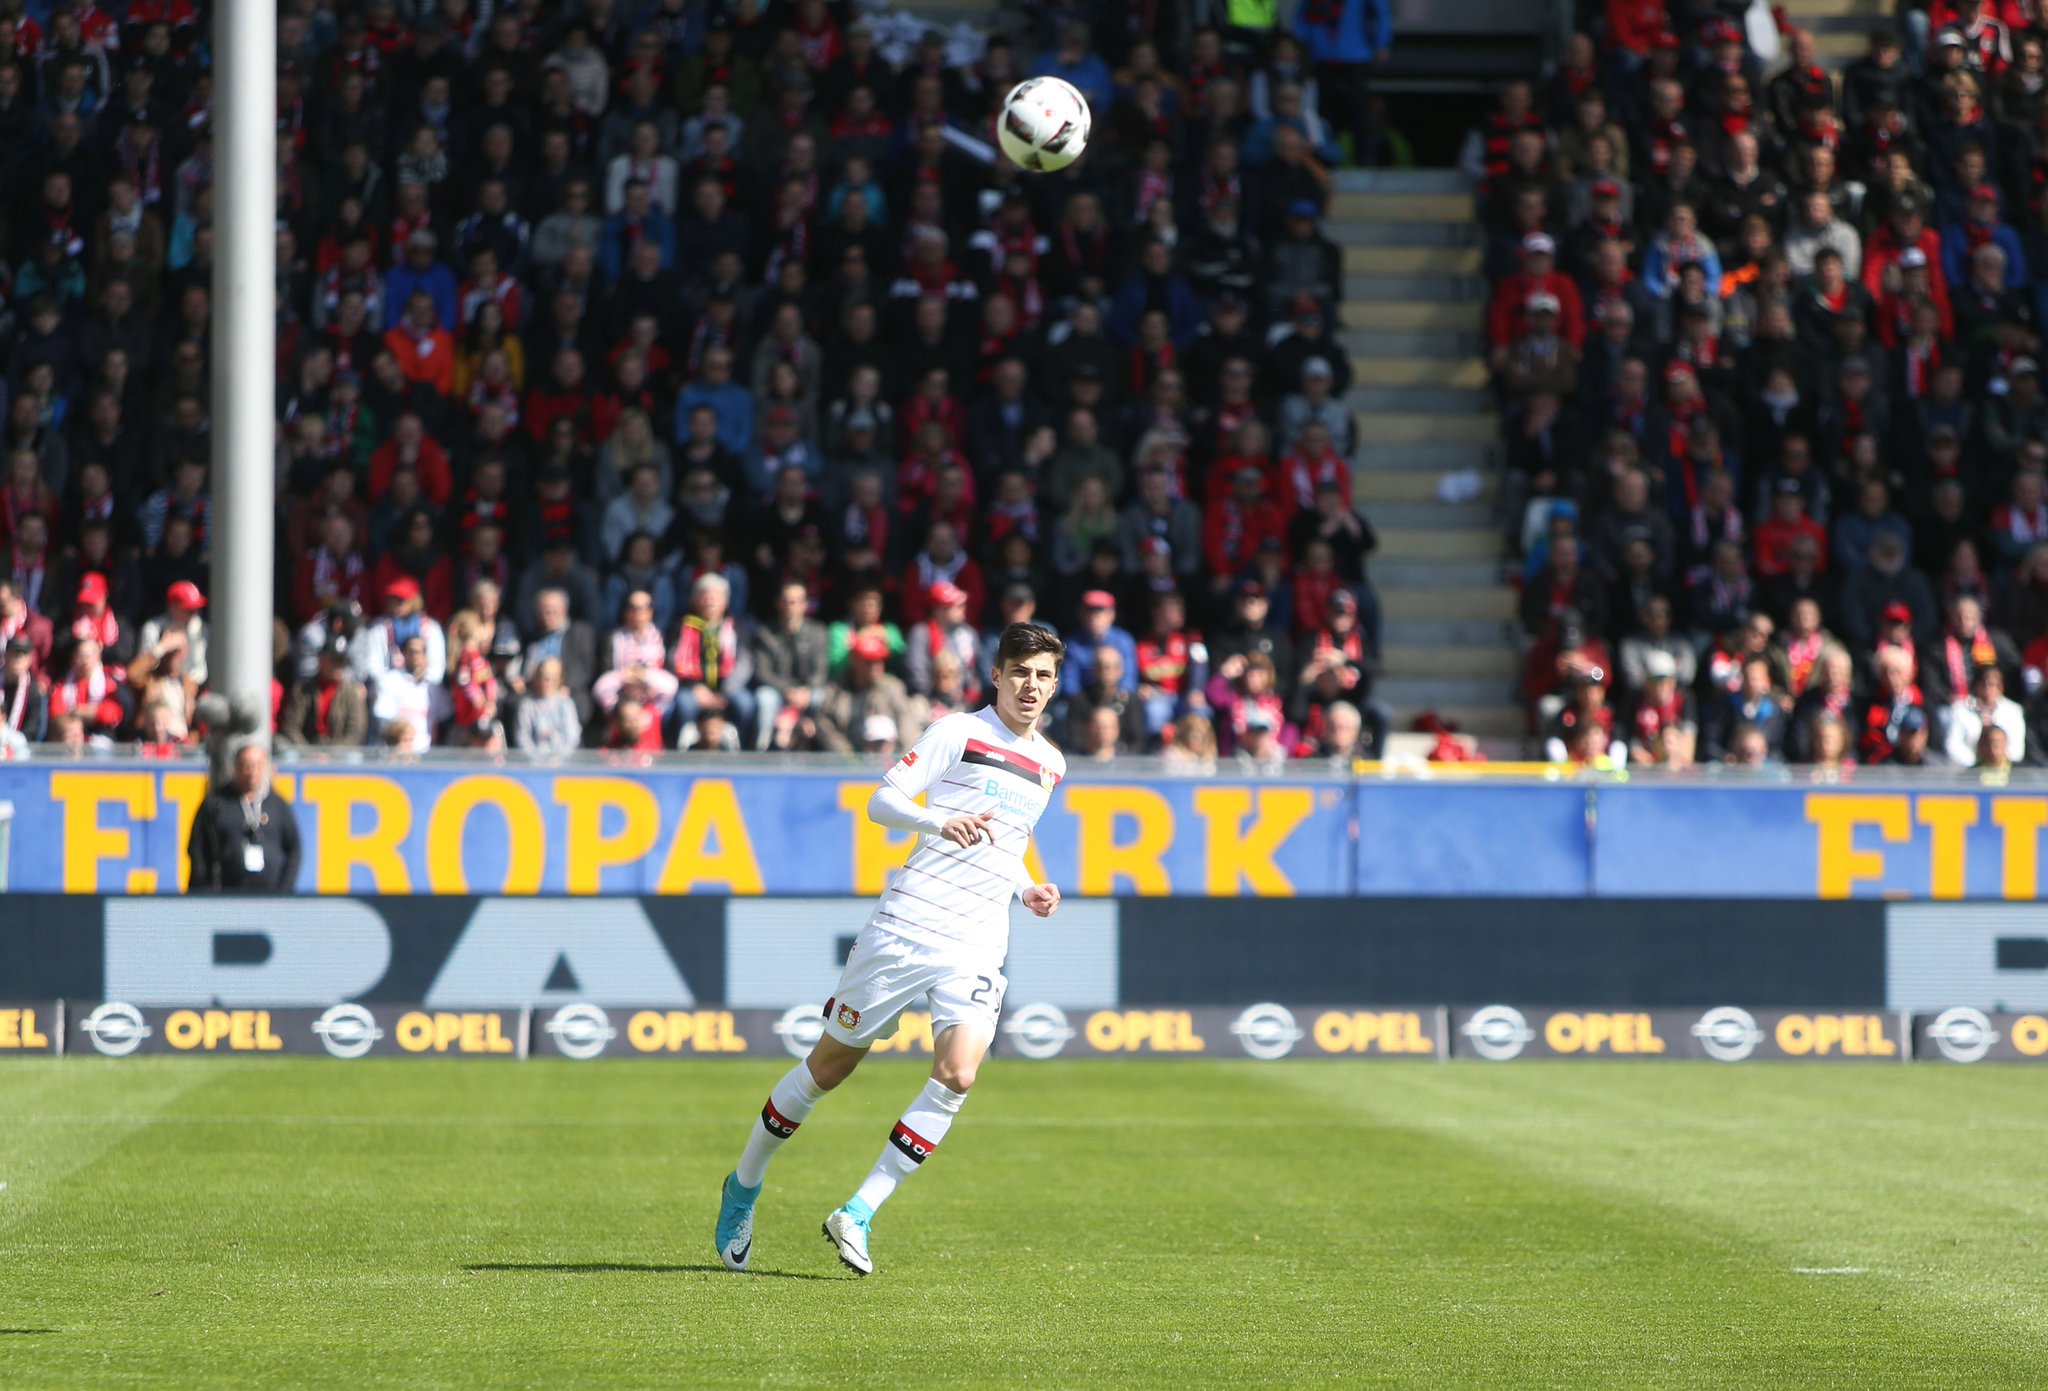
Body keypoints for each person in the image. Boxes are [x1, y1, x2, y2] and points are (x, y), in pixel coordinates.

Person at [715, 624, 1068, 1278]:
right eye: (1020, 670)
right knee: (829, 1066)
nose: (1031, 685)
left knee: (959, 1073)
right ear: (996, 674)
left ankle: (859, 1210)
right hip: (909, 923)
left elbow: (1007, 843)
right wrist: (939, 820)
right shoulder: (959, 731)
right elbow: (882, 801)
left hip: (979, 937)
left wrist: (1027, 889)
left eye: (1043, 674)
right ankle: (742, 1185)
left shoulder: (1051, 762)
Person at [187, 742, 303, 893]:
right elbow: (197, 847)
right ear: (236, 767)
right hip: (225, 896)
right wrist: (206, 888)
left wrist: (285, 890)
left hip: (271, 897)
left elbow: (294, 849)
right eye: (246, 766)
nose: (252, 772)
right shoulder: (217, 803)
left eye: (257, 766)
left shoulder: (278, 805)